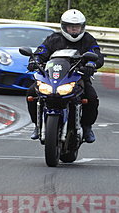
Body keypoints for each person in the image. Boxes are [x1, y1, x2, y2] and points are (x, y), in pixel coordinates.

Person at [26, 9, 104, 142]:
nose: (74, 30)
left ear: (82, 27)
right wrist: (35, 61)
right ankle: (36, 124)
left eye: (77, 27)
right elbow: (41, 52)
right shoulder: (54, 39)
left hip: (78, 77)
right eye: (71, 27)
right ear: (63, 26)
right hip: (52, 77)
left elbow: (97, 55)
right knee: (31, 94)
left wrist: (91, 64)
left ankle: (87, 127)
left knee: (91, 98)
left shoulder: (88, 39)